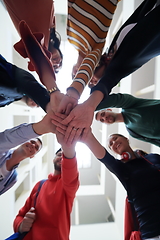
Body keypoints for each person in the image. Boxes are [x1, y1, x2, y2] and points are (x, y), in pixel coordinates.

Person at [53, 0, 160, 142]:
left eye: (77, 74)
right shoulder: (119, 67)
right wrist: (87, 105)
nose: (86, 76)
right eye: (91, 82)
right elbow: (107, 84)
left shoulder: (109, 50)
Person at [81, 129, 160, 240]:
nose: (114, 143)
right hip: (152, 232)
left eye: (115, 138)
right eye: (111, 144)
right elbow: (104, 157)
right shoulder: (122, 169)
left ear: (126, 139)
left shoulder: (153, 158)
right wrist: (87, 136)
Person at [12, 129, 79, 240]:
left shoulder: (69, 185)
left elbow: (71, 169)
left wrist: (68, 146)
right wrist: (21, 225)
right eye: (59, 155)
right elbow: (19, 216)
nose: (61, 157)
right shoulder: (40, 185)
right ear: (53, 159)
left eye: (64, 156)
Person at [0, 112, 57, 195]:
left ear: (32, 156)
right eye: (32, 141)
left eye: (37, 147)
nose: (33, 145)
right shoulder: (3, 150)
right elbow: (7, 138)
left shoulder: (13, 178)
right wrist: (40, 127)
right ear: (23, 141)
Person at [3, 0, 63, 73]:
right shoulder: (51, 33)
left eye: (54, 66)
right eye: (60, 63)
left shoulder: (37, 46)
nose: (57, 63)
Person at [95, 93, 160, 147]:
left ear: (109, 109)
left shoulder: (129, 105)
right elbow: (154, 141)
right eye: (102, 120)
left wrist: (91, 107)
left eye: (103, 114)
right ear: (106, 124)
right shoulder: (132, 133)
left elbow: (116, 100)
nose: (104, 118)